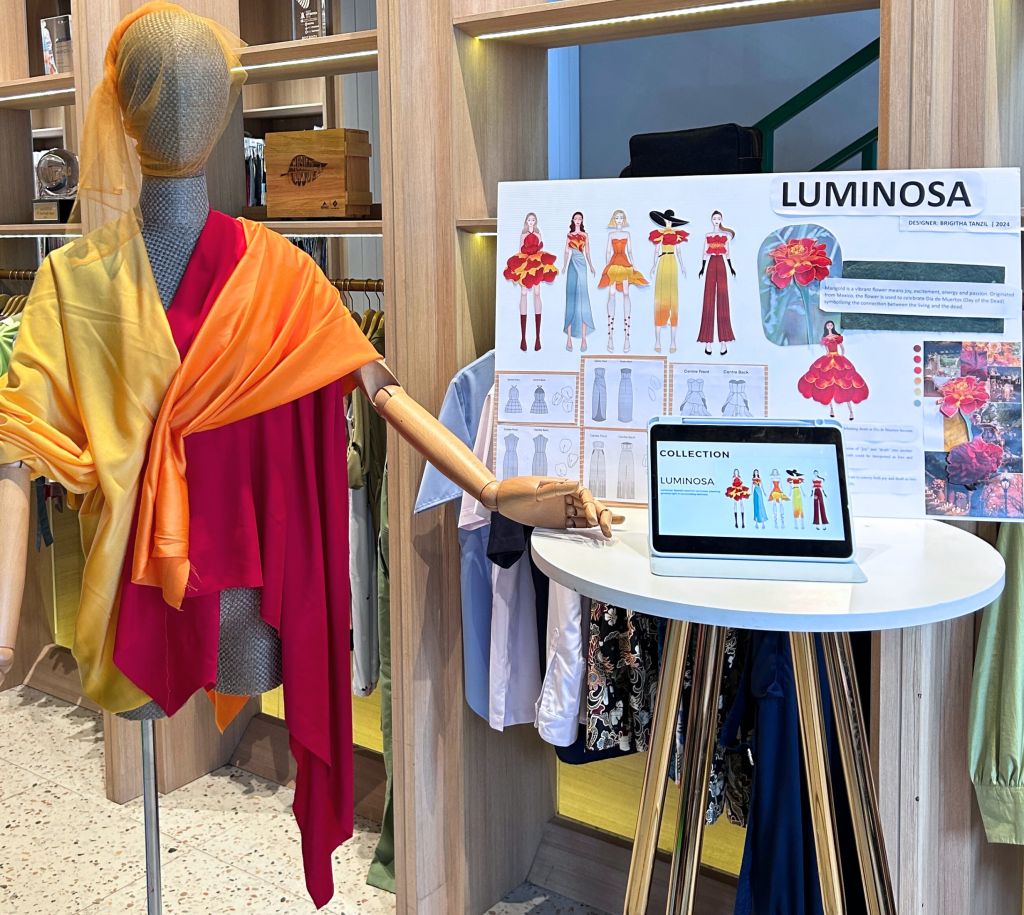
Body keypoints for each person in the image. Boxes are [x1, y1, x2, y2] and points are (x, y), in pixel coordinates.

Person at [503, 212, 558, 351]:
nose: (531, 222)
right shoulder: (523, 234)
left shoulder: (538, 233)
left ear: (535, 221)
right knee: (523, 293)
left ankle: (537, 337)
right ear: (526, 221)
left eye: (533, 220)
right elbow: (521, 248)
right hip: (526, 260)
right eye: (529, 220)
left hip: (536, 261)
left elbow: (540, 247)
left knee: (537, 292)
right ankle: (523, 337)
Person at [797, 319, 869, 420]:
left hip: (838, 358)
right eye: (828, 325)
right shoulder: (825, 338)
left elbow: (842, 348)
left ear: (833, 326)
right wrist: (827, 358)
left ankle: (851, 412)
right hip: (828, 359)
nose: (829, 327)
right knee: (828, 385)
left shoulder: (837, 337)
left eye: (831, 325)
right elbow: (827, 350)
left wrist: (842, 357)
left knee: (846, 384)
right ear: (826, 327)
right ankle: (832, 410)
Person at [598, 209, 647, 352]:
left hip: (624, 262)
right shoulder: (611, 234)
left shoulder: (627, 234)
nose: (619, 220)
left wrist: (634, 264)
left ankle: (627, 337)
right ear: (614, 219)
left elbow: (630, 251)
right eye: (617, 218)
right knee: (612, 293)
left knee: (626, 293)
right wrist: (607, 266)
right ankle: (610, 337)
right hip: (614, 262)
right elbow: (608, 251)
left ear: (623, 219)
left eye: (621, 217)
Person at [648, 209, 688, 354]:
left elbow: (679, 252)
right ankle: (657, 340)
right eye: (666, 221)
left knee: (673, 296)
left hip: (672, 262)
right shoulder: (659, 234)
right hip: (663, 261)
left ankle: (673, 341)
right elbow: (656, 251)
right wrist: (653, 265)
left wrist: (682, 265)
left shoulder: (677, 235)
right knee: (660, 297)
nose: (668, 223)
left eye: (670, 221)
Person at [697, 210, 736, 356]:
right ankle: (707, 341)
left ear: (721, 219)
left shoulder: (725, 236)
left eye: (719, 218)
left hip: (722, 264)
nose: (716, 220)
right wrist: (702, 268)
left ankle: (723, 341)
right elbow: (704, 253)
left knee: (722, 299)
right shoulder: (708, 235)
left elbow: (728, 254)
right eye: (714, 218)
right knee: (708, 300)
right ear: (711, 220)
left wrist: (731, 267)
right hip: (711, 264)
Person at [562, 211, 596, 352]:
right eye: (576, 218)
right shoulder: (569, 235)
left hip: (582, 263)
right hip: (572, 264)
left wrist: (591, 265)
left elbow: (587, 252)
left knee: (583, 297)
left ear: (582, 221)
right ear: (573, 220)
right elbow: (566, 252)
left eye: (580, 219)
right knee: (571, 297)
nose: (577, 220)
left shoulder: (585, 235)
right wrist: (564, 266)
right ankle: (569, 338)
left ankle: (583, 338)